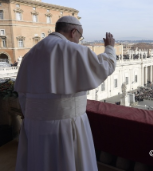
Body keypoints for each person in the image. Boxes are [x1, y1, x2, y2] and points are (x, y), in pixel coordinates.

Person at [14, 16, 116, 171]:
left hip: (34, 126)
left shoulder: (30, 54)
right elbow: (103, 67)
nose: (79, 41)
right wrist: (109, 48)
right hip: (67, 125)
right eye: (80, 37)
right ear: (73, 31)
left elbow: (23, 94)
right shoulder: (74, 49)